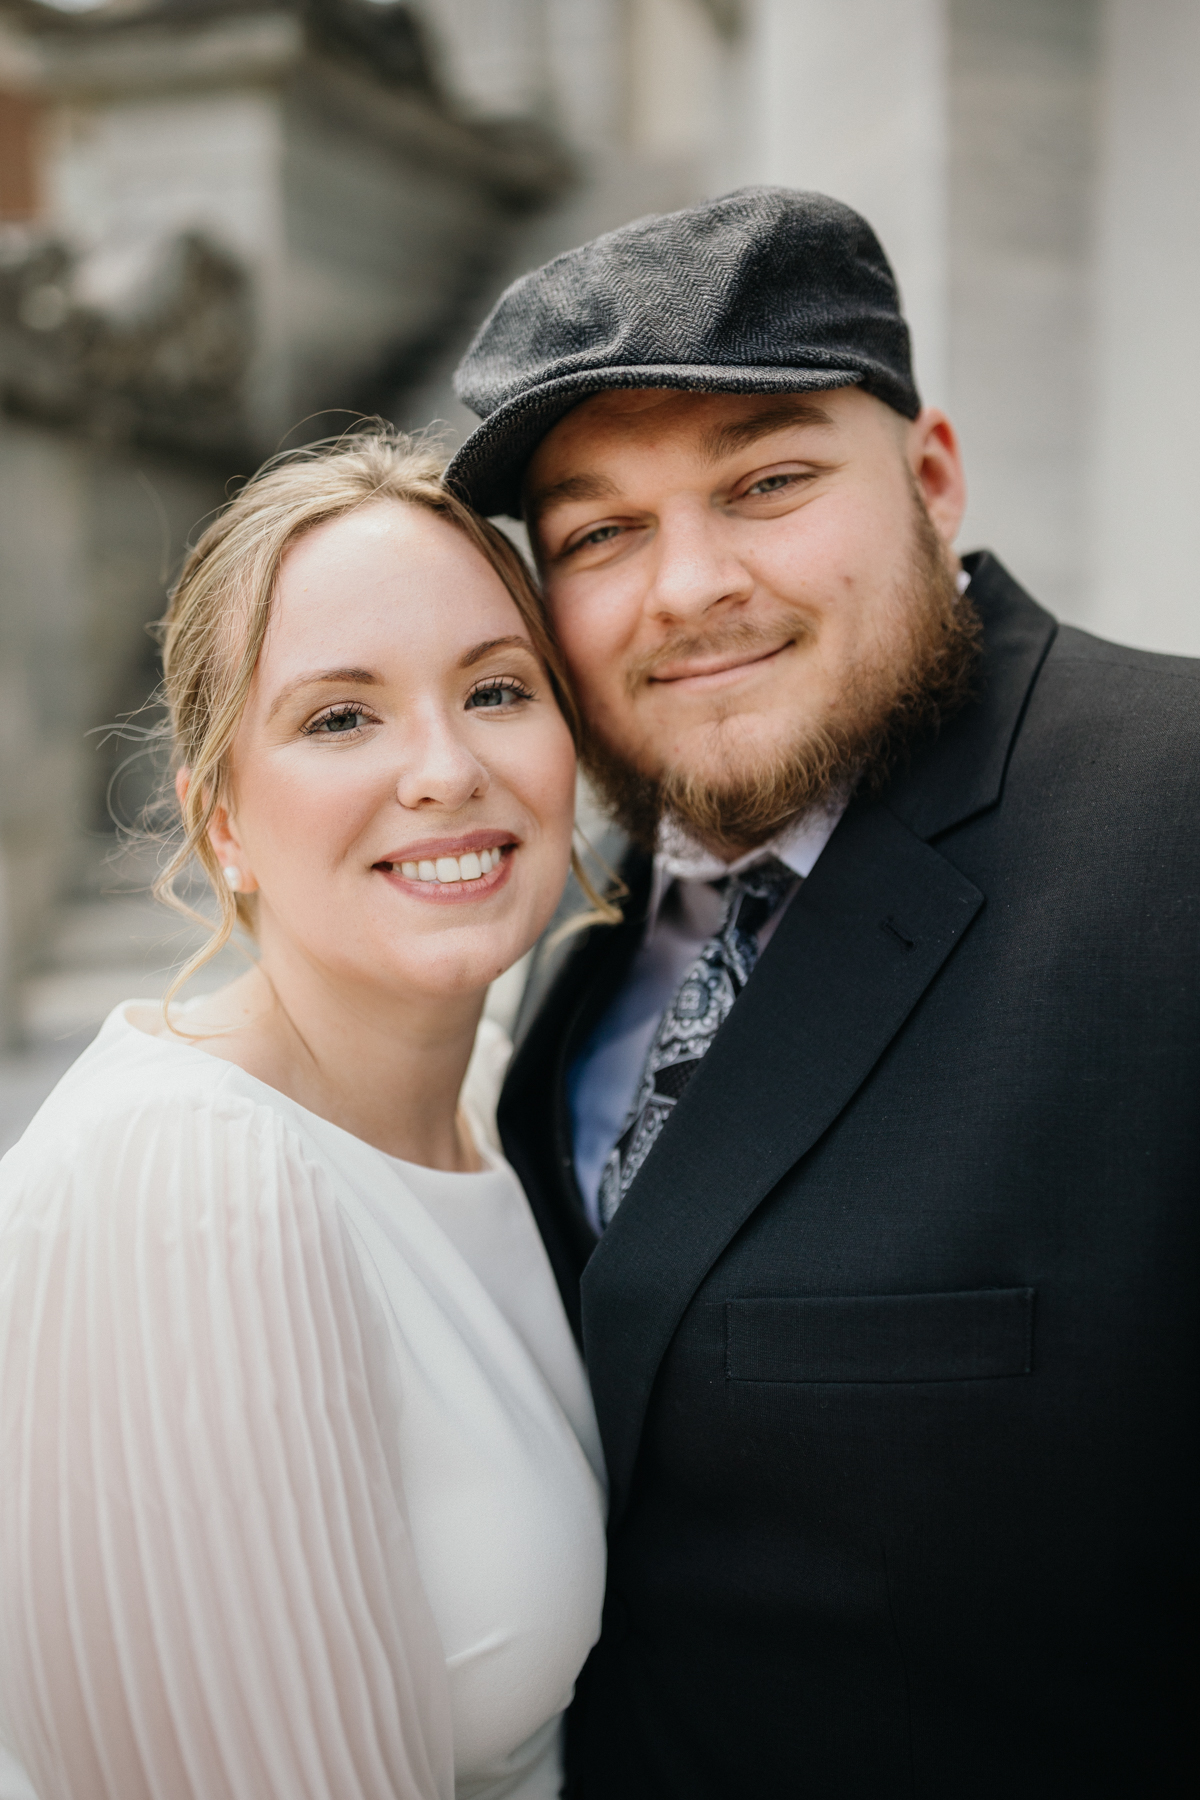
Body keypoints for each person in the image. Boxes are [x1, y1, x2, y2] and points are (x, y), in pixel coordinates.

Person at [445, 188, 1199, 1795]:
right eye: (599, 534)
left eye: (769, 482)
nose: (686, 586)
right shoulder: (569, 970)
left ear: (932, 478)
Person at [0, 435, 608, 1800]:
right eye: (343, 717)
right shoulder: (185, 1183)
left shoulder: (500, 1092)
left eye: (498, 690)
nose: (446, 770)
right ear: (220, 818)